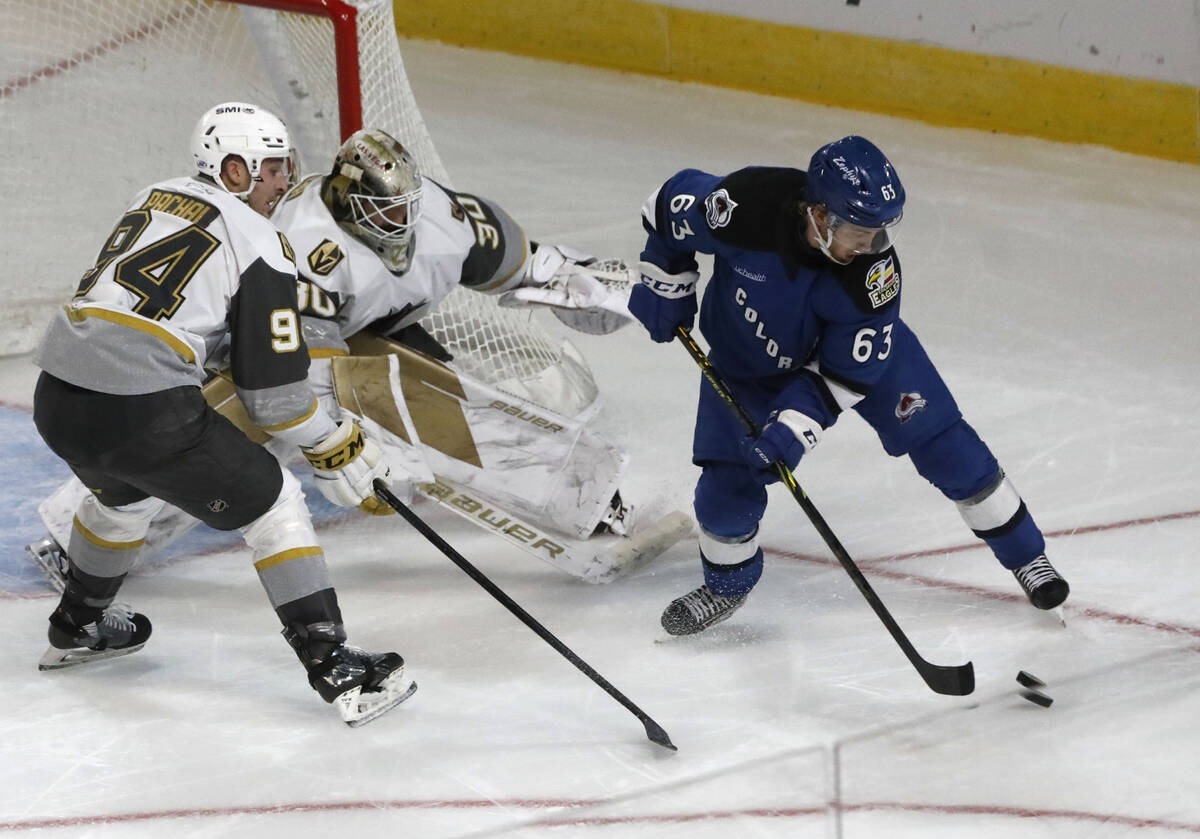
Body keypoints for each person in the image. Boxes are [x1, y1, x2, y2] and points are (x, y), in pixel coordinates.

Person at [30, 102, 413, 726]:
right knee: (276, 504)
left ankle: (79, 625)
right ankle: (335, 665)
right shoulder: (261, 239)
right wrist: (337, 441)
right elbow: (277, 401)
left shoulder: (153, 194)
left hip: (59, 395)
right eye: (270, 169)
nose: (284, 180)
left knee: (120, 501)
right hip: (143, 408)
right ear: (233, 170)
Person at [629, 135, 1070, 635]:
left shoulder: (872, 275)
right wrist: (665, 279)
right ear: (818, 214)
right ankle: (726, 589)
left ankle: (1027, 558)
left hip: (859, 359)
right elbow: (667, 209)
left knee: (950, 448)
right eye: (860, 230)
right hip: (748, 362)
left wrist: (792, 429)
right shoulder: (745, 206)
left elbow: (846, 375)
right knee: (724, 492)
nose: (871, 244)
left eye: (880, 231)